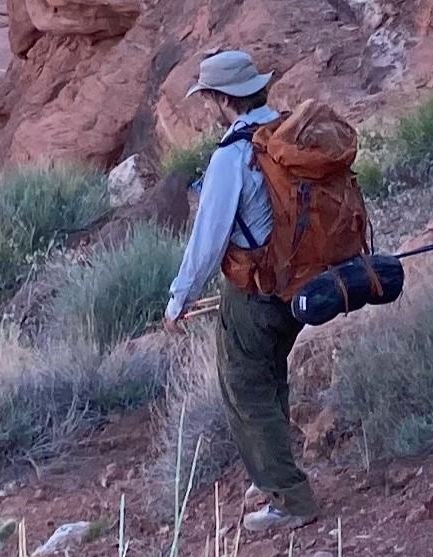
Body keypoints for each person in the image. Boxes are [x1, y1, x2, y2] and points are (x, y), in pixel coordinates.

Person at [162, 48, 323, 531]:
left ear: (219, 98)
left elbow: (207, 241)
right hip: (301, 282)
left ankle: (290, 499)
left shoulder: (233, 155)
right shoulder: (288, 132)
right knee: (270, 377)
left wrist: (178, 299)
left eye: (209, 97)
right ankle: (271, 472)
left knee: (245, 390)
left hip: (254, 289)